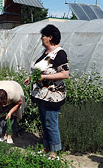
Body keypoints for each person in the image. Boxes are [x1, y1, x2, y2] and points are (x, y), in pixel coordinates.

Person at [24, 24, 69, 159]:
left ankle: (54, 152)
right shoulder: (46, 53)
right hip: (42, 95)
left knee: (51, 123)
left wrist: (45, 77)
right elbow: (41, 70)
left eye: (43, 35)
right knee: (44, 123)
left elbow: (65, 74)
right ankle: (46, 148)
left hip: (52, 95)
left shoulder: (59, 53)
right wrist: (32, 78)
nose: (41, 38)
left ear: (50, 37)